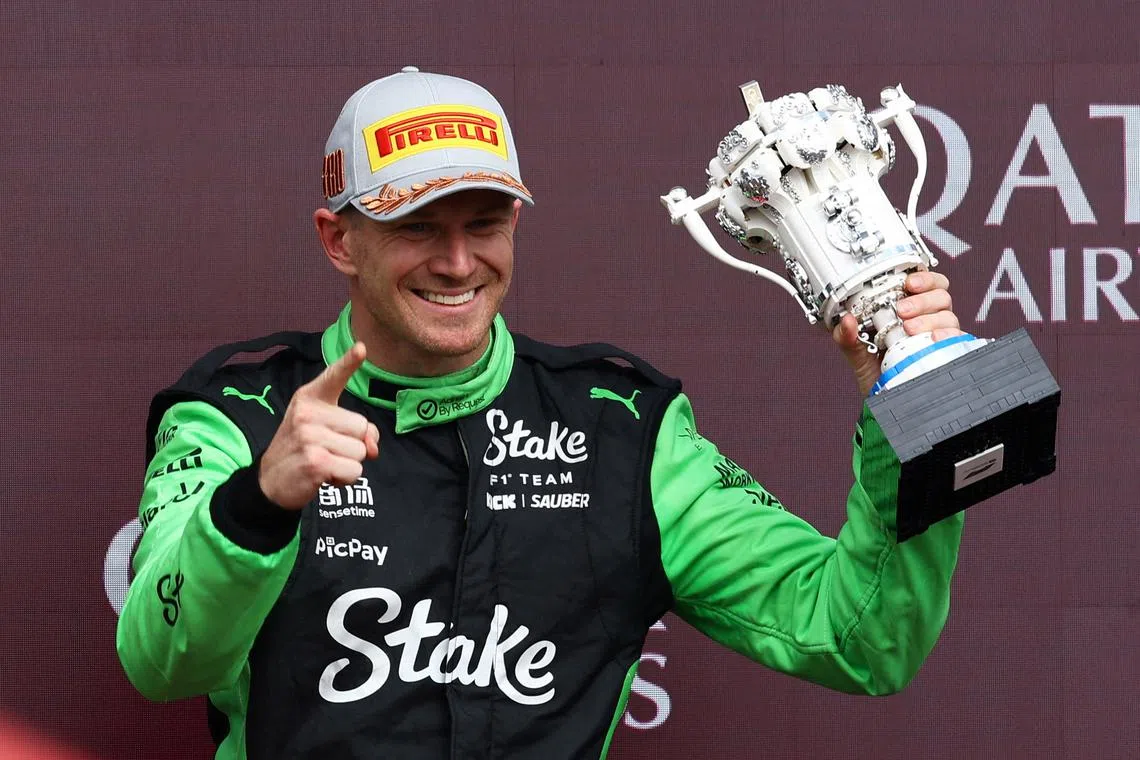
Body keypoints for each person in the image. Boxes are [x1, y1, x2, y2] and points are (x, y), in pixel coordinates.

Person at [117, 67, 966, 760]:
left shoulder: (622, 428)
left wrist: (913, 406)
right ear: (339, 240)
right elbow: (161, 663)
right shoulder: (236, 413)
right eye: (418, 227)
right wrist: (258, 504)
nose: (457, 262)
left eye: (483, 224)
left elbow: (859, 639)